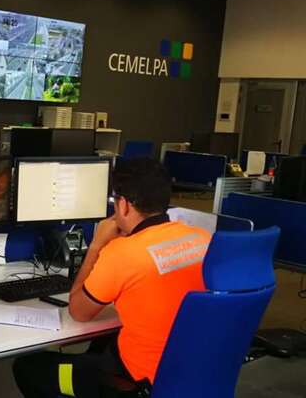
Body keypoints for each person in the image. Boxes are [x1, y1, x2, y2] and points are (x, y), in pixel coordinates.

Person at [12, 158, 212, 398]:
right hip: (193, 370)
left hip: (135, 382)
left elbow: (79, 312)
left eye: (114, 201)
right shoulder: (202, 238)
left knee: (28, 367)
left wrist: (96, 245)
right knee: (100, 346)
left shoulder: (123, 252)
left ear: (124, 205)